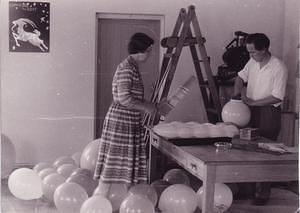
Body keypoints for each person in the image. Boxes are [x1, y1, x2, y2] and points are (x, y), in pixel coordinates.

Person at [93, 32, 162, 192]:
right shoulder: (127, 68)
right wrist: (147, 107)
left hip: (128, 120)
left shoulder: (132, 67)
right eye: (149, 50)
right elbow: (124, 99)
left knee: (125, 166)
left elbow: (132, 96)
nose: (150, 54)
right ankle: (100, 201)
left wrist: (150, 104)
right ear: (141, 50)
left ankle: (125, 202)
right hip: (121, 121)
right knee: (112, 168)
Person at [233, 33, 288, 205]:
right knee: (246, 149)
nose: (251, 56)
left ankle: (262, 194)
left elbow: (277, 97)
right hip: (250, 109)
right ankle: (246, 189)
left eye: (254, 52)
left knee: (266, 151)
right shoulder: (252, 62)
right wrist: (238, 94)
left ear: (264, 49)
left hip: (268, 112)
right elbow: (240, 77)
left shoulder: (279, 67)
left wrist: (254, 103)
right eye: (248, 52)